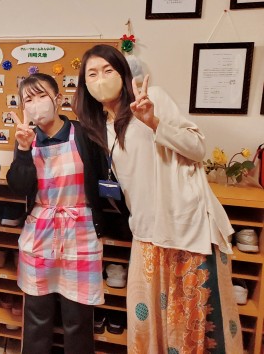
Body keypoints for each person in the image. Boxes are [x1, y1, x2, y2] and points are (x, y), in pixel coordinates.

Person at [74, 44, 241, 353]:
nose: (101, 79)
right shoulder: (100, 127)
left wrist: (153, 122)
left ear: (123, 73)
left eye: (108, 70)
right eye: (92, 74)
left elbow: (197, 148)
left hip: (185, 229)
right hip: (146, 231)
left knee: (191, 325)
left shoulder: (153, 99)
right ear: (84, 84)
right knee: (148, 326)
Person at [6, 73, 111, 354]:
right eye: (28, 99)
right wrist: (23, 149)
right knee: (37, 317)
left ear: (58, 99)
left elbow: (104, 178)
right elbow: (19, 187)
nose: (36, 104)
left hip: (80, 234)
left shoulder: (85, 134)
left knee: (78, 320)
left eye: (42, 96)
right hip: (40, 233)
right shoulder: (27, 138)